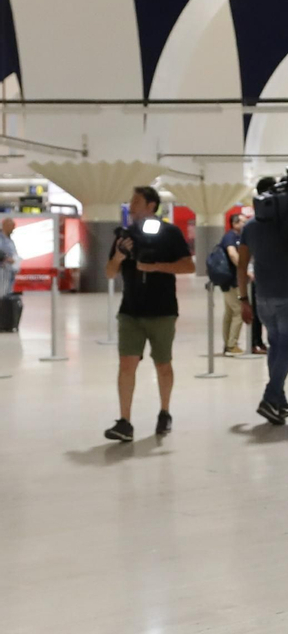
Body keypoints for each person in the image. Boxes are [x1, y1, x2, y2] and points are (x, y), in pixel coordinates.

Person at [102, 187, 196, 442]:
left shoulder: (170, 233)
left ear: (151, 206)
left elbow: (188, 266)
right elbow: (109, 273)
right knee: (126, 365)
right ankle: (124, 422)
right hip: (130, 311)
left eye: (136, 202)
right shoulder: (125, 236)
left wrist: (155, 267)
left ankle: (164, 412)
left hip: (162, 311)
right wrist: (119, 257)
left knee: (163, 363)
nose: (131, 206)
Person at [236, 181, 288, 424]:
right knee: (287, 349)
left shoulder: (250, 227)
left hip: (262, 298)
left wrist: (243, 299)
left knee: (275, 345)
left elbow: (242, 266)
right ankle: (270, 396)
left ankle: (279, 402)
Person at [218, 213, 246, 355]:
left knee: (229, 312)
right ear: (235, 224)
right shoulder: (230, 237)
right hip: (230, 281)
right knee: (238, 311)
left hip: (230, 280)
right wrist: (243, 269)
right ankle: (232, 345)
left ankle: (228, 343)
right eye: (243, 221)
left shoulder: (236, 237)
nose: (245, 224)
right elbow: (232, 254)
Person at [0, 216, 18, 302]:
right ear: (6, 226)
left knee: (6, 298)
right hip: (2, 272)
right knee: (2, 297)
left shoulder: (9, 240)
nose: (13, 228)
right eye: (12, 226)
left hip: (9, 273)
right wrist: (6, 258)